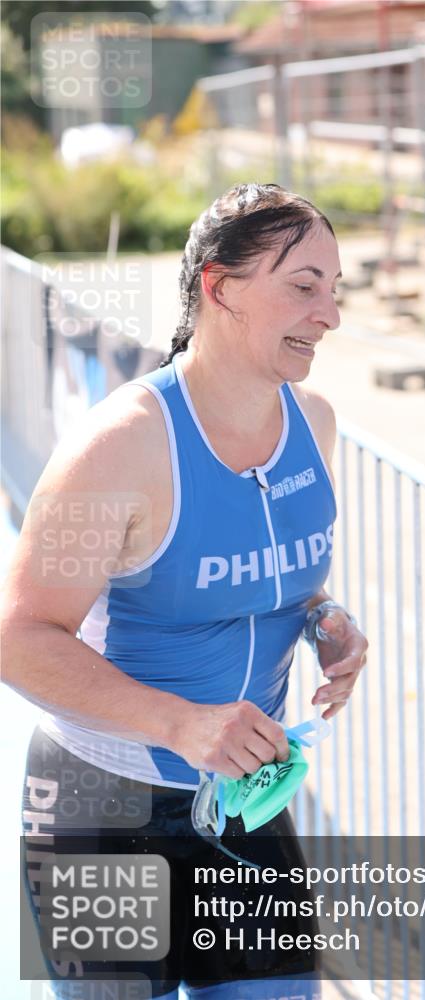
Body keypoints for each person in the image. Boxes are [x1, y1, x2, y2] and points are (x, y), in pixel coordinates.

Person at [1, 183, 368, 999]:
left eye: (334, 289)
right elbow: (19, 639)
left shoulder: (315, 423)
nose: (329, 314)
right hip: (102, 809)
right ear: (219, 285)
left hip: (242, 804)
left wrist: (324, 619)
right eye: (303, 285)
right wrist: (183, 724)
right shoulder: (122, 448)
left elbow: (262, 577)